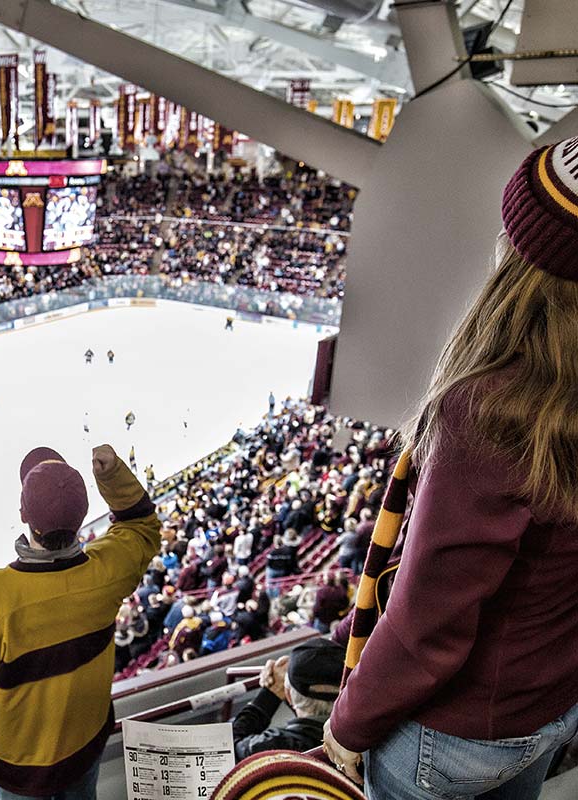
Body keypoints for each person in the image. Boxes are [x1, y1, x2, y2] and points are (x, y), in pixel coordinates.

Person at [323, 139, 578, 798]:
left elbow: (429, 618)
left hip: (456, 732)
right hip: (552, 701)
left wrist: (348, 726)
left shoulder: (494, 407)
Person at [0, 444, 160, 799]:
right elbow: (142, 526)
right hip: (86, 746)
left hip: (20, 768)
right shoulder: (109, 570)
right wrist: (112, 474)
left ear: (23, 514)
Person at [232, 639, 346, 759]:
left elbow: (229, 749)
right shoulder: (362, 731)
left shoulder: (275, 746)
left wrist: (270, 694)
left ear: (289, 696)